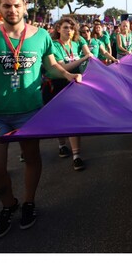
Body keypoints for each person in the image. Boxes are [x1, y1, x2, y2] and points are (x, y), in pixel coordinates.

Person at [0, 0, 81, 239]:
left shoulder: (40, 36)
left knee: (32, 158)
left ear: (25, 6)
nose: (12, 10)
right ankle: (9, 205)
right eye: (6, 6)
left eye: (16, 5)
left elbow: (50, 66)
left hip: (30, 112)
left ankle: (29, 202)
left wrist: (67, 75)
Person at [44, 17, 93, 171]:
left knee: (73, 118)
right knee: (59, 119)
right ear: (58, 29)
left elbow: (89, 55)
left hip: (75, 83)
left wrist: (88, 56)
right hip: (57, 85)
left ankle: (76, 156)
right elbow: (63, 66)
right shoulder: (54, 45)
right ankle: (61, 144)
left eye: (71, 28)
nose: (69, 31)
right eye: (65, 27)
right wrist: (84, 58)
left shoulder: (78, 42)